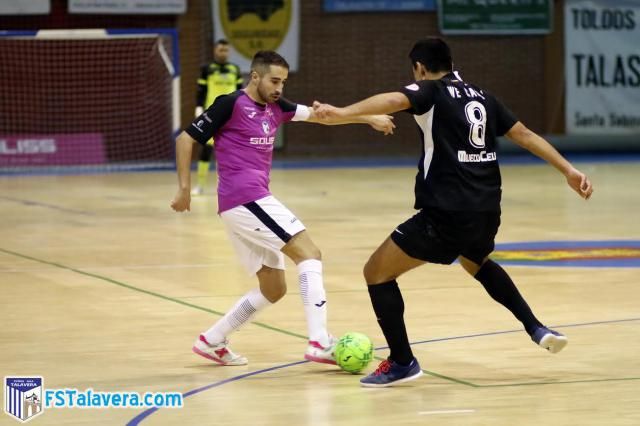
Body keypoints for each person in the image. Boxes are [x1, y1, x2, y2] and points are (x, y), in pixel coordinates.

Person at [314, 37, 594, 387]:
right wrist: (569, 170)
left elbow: (393, 99)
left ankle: (402, 362)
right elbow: (523, 134)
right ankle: (535, 327)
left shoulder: (430, 91)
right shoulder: (482, 96)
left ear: (419, 68)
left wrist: (342, 112)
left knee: (376, 272)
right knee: (475, 261)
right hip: (487, 209)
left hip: (446, 212)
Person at [171, 50, 395, 366]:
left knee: (273, 288)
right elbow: (185, 139)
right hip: (246, 198)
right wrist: (184, 189)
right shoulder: (230, 104)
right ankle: (319, 342)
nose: (279, 88)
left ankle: (213, 340)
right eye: (274, 80)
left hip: (242, 205)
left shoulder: (277, 107)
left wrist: (367, 118)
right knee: (309, 254)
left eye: (283, 82)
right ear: (255, 76)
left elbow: (323, 117)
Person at [192, 39, 244, 196]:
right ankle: (200, 185)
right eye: (221, 50)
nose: (223, 53)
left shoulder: (234, 69)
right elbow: (201, 90)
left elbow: (240, 92)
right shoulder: (207, 69)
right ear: (215, 50)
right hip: (212, 114)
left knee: (233, 151)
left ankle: (235, 186)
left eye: (226, 50)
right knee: (206, 150)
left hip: (230, 115)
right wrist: (198, 107)